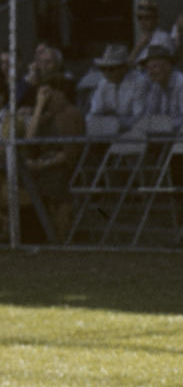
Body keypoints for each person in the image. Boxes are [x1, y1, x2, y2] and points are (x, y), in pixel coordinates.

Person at [22, 73, 85, 242]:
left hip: (65, 166)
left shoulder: (70, 115)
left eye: (48, 93)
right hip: (44, 163)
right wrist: (38, 107)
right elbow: (29, 140)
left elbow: (71, 152)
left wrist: (43, 165)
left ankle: (59, 235)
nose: (45, 97)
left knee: (53, 182)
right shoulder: (45, 116)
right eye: (41, 94)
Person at [86, 44, 147, 130]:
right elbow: (94, 111)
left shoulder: (139, 82)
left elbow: (139, 116)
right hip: (107, 130)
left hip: (133, 132)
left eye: (111, 69)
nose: (106, 73)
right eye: (103, 68)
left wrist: (114, 121)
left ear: (124, 68)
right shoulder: (103, 83)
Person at [141, 44, 183, 130]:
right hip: (167, 135)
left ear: (168, 66)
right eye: (148, 68)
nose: (150, 72)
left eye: (155, 66)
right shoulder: (156, 85)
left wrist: (160, 125)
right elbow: (149, 114)